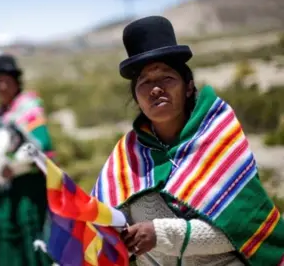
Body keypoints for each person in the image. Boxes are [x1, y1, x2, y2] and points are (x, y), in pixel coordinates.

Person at [90, 16, 284, 266]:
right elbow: (107, 226)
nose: (156, 89)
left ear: (189, 87)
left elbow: (243, 229)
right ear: (136, 98)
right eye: (145, 82)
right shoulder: (127, 155)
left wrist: (161, 234)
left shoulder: (218, 136)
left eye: (166, 78)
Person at [0, 55, 53, 266]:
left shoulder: (28, 108)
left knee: (29, 241)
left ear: (16, 82)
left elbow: (41, 144)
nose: (2, 87)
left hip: (26, 191)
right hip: (4, 191)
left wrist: (13, 166)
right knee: (2, 240)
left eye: (7, 81)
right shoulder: (0, 114)